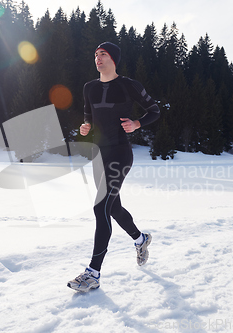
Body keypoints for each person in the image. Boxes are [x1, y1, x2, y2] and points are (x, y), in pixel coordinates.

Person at [67, 42, 160, 292]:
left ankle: (93, 273)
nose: (98, 58)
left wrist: (137, 124)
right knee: (113, 207)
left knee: (101, 207)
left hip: (120, 153)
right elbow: (89, 116)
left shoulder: (129, 85)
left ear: (114, 60)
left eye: (103, 54)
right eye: (95, 54)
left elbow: (155, 110)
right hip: (99, 155)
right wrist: (86, 127)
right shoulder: (89, 88)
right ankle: (141, 239)